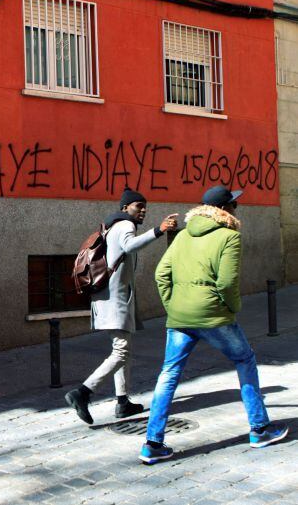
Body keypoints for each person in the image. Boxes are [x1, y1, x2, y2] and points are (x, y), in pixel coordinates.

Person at [139, 185, 289, 464]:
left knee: (168, 374)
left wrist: (173, 305)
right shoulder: (229, 236)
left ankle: (152, 444)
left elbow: (162, 274)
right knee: (245, 359)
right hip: (214, 315)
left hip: (180, 316)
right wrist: (232, 308)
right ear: (225, 209)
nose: (237, 208)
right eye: (234, 204)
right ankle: (259, 429)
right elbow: (227, 282)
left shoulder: (183, 235)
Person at [65, 188, 178, 424]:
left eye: (144, 206)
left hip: (109, 298)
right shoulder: (125, 225)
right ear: (125, 208)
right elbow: (129, 246)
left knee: (122, 350)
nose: (143, 210)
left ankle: (123, 402)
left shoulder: (112, 226)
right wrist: (158, 231)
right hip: (114, 300)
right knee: (121, 351)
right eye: (138, 206)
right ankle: (83, 392)